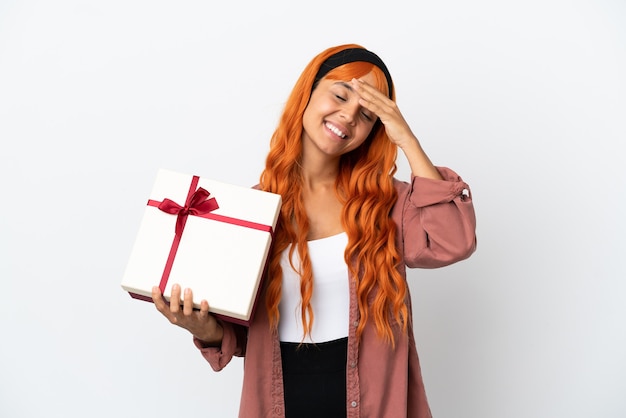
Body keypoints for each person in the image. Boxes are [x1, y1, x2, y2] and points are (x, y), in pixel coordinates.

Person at [152, 43, 477, 418]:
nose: (349, 116)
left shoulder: (389, 203)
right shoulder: (251, 211)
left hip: (371, 405)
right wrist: (203, 327)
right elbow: (241, 336)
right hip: (280, 402)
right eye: (340, 95)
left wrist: (406, 139)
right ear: (308, 91)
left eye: (369, 115)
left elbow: (454, 241)